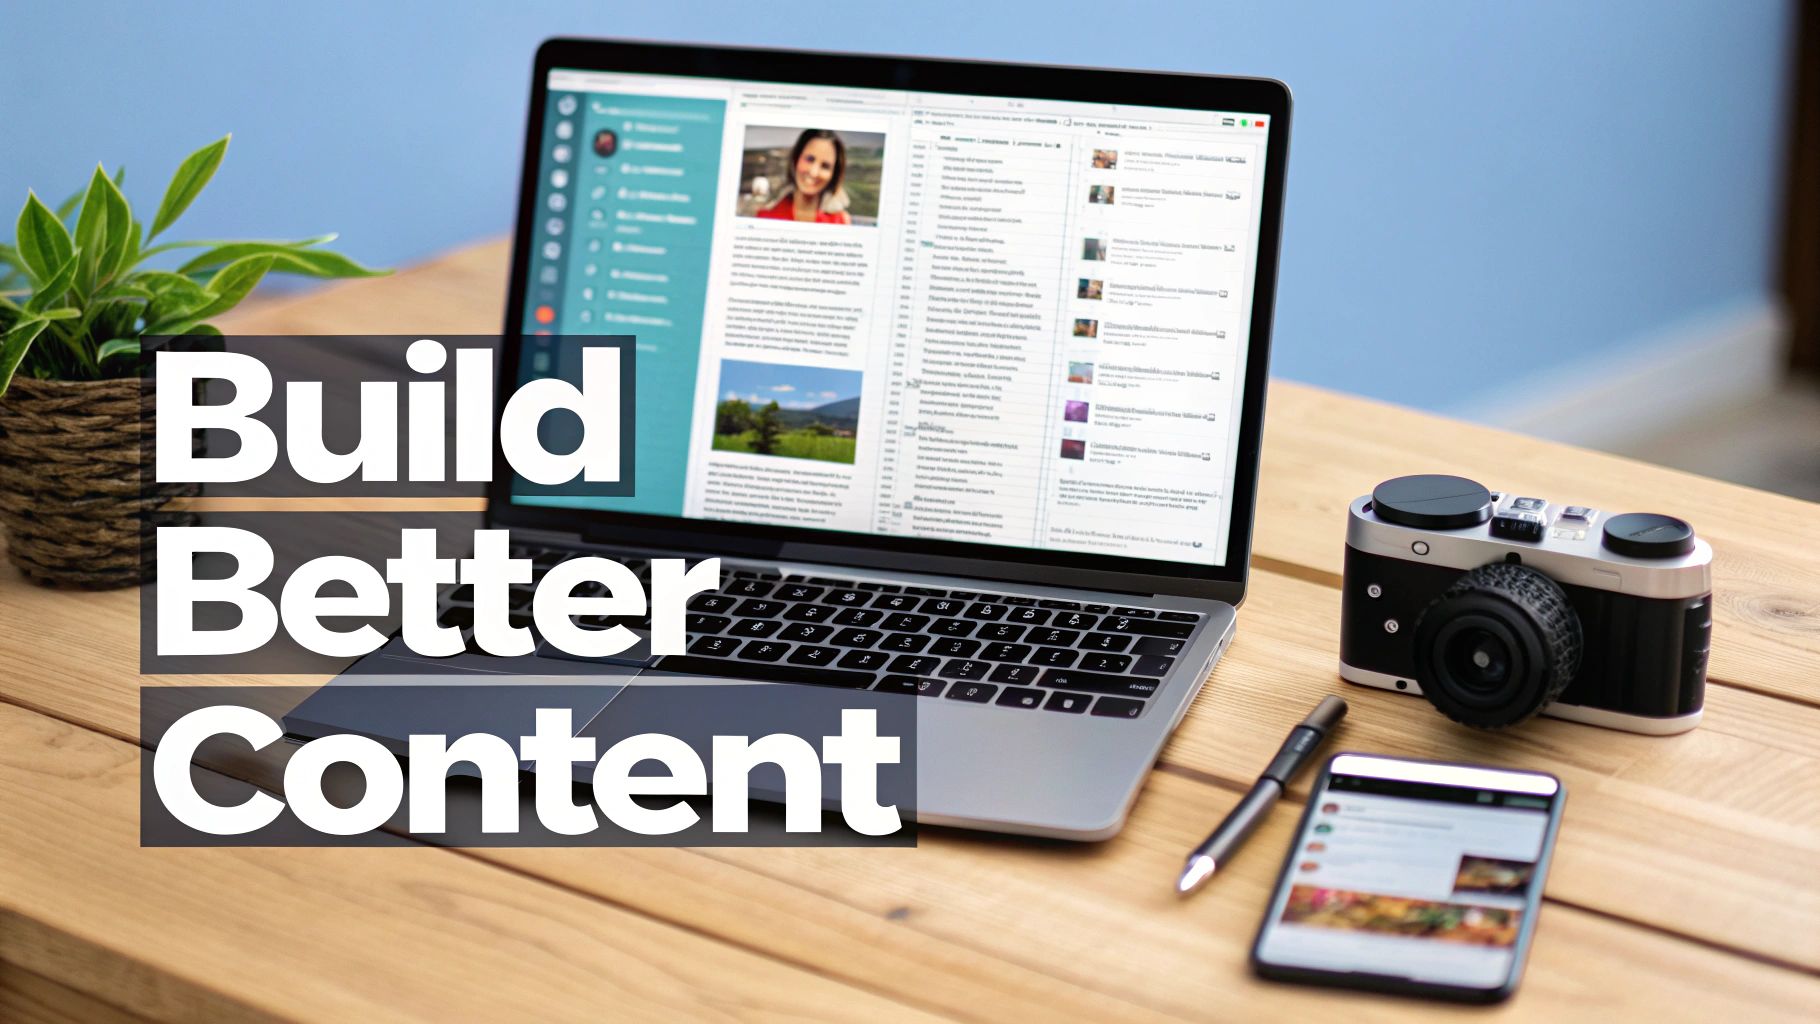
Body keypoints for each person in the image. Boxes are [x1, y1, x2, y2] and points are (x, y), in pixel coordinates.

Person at [756, 129, 852, 224]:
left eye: (825, 166)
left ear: (833, 174)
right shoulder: (766, 217)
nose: (814, 173)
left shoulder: (840, 222)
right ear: (796, 159)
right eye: (809, 159)